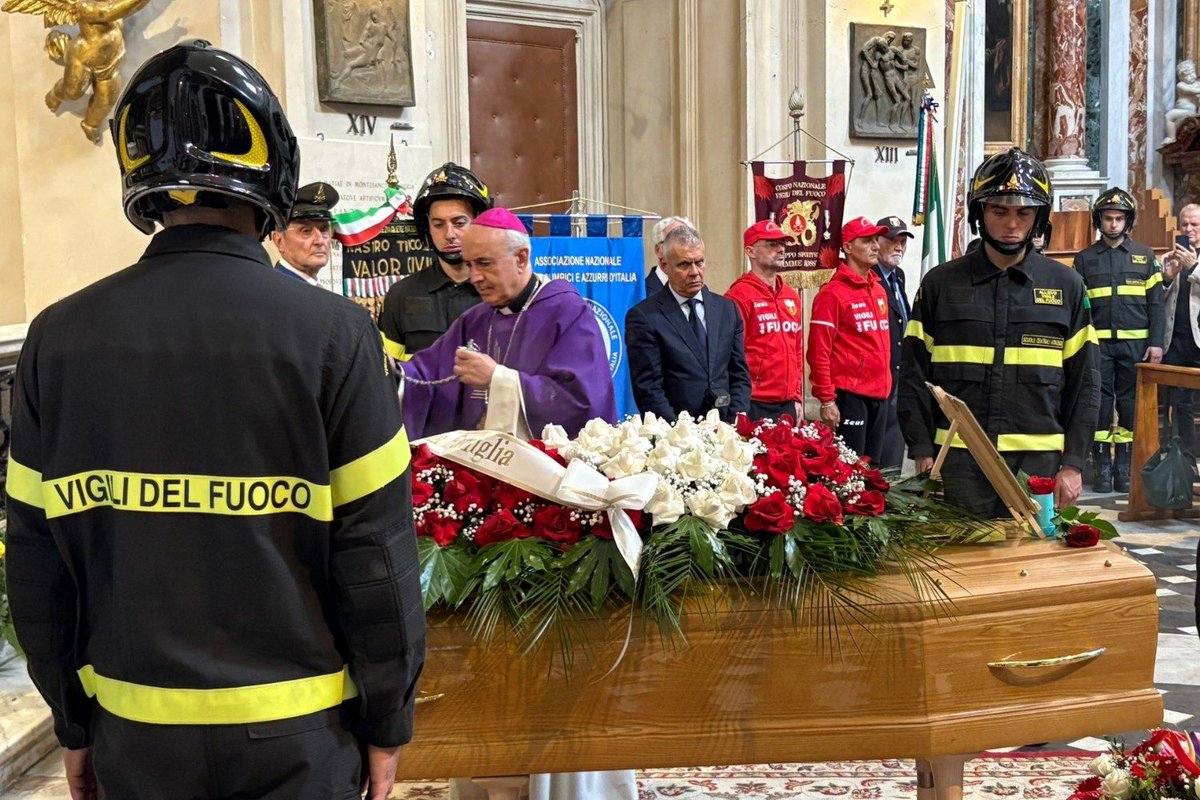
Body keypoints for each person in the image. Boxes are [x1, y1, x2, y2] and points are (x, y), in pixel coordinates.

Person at [5, 41, 423, 800]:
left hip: (134, 734)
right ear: (273, 172)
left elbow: (37, 568)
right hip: (302, 737)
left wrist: (73, 724)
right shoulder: (334, 335)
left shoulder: (56, 340)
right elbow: (378, 560)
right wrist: (388, 721)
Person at [899, 147, 1099, 516]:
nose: (1011, 224)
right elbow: (913, 377)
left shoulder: (1067, 286)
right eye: (999, 211)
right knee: (961, 569)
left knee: (1034, 569)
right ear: (980, 213)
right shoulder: (940, 284)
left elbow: (1084, 385)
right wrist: (922, 452)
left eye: (1024, 213)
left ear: (1039, 217)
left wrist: (1073, 463)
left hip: (1038, 467)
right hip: (955, 463)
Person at [400, 207, 617, 439]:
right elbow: (423, 378)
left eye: (484, 263)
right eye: (470, 265)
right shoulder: (475, 319)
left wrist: (497, 378)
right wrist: (383, 370)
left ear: (521, 258)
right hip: (475, 466)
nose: (474, 277)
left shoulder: (567, 313)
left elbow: (584, 405)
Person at [1072, 188, 1164, 492]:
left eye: (1119, 218)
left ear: (1128, 221)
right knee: (1098, 405)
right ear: (1099, 221)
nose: (1113, 224)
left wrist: (1157, 342)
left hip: (1135, 347)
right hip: (1098, 347)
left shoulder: (1145, 256)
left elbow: (1156, 304)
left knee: (1129, 406)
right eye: (1108, 218)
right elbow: (1079, 308)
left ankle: (1124, 468)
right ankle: (1102, 468)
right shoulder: (1085, 259)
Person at [626, 224, 751, 422]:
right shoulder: (644, 317)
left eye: (699, 262)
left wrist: (735, 423)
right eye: (684, 265)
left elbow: (739, 376)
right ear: (665, 265)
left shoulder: (728, 310)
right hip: (675, 438)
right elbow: (649, 389)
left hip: (727, 431)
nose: (694, 272)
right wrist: (680, 434)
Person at [378, 162, 492, 360]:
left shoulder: (501, 292)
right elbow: (387, 373)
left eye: (459, 223)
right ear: (427, 228)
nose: (449, 234)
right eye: (438, 224)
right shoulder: (401, 295)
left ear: (479, 222)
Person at [807, 216, 893, 465]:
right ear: (847, 247)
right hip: (850, 395)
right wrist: (826, 399)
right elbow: (818, 352)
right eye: (867, 241)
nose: (876, 246)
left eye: (876, 240)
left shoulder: (878, 290)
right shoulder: (832, 294)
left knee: (873, 468)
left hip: (880, 393)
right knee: (850, 469)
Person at [725, 219, 804, 420]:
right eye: (771, 244)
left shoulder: (791, 296)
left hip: (787, 403)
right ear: (751, 251)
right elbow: (731, 355)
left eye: (782, 244)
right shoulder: (738, 296)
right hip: (754, 402)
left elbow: (796, 350)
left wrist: (797, 396)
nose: (780, 249)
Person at [872, 216, 914, 469]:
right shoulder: (870, 277)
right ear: (876, 242)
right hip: (877, 373)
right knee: (876, 454)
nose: (898, 247)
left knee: (893, 449)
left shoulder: (898, 276)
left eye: (902, 242)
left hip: (899, 371)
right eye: (892, 241)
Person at [1161, 203, 1200, 463]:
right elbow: (1160, 300)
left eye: (1194, 224)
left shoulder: (1193, 260)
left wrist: (1195, 267)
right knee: (1180, 403)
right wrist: (1166, 278)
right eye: (1184, 224)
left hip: (1199, 340)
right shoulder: (1169, 257)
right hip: (1175, 340)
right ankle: (1185, 460)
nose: (1188, 229)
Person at [271, 181, 339, 285]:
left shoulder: (312, 288)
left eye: (324, 229)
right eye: (306, 231)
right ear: (279, 241)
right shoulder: (277, 290)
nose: (320, 240)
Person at [645, 215, 695, 294]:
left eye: (686, 241)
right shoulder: (641, 295)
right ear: (659, 250)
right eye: (675, 242)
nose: (683, 248)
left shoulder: (703, 294)